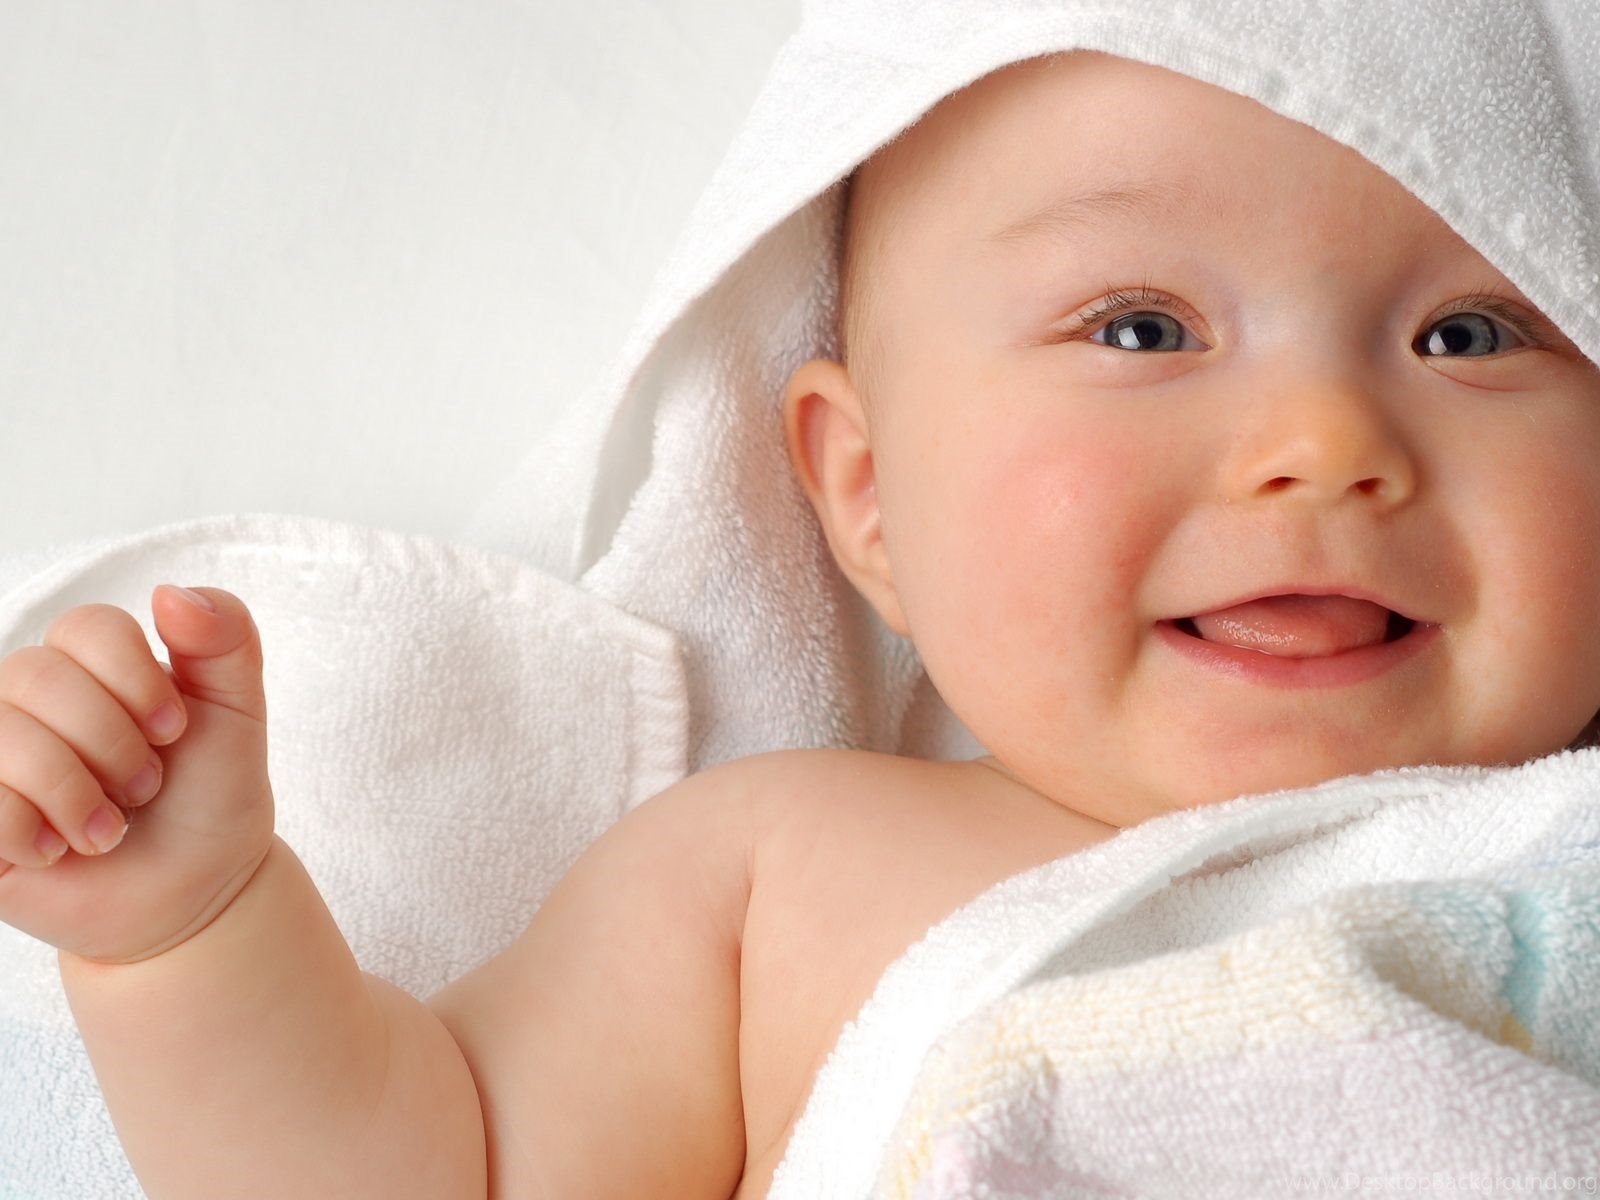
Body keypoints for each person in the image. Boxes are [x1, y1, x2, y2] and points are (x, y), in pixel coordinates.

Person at [2, 49, 1598, 1199]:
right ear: (871, 494)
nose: (1322, 440)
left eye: (1472, 332)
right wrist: (190, 932)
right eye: (1141, 328)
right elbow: (437, 1176)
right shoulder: (779, 880)